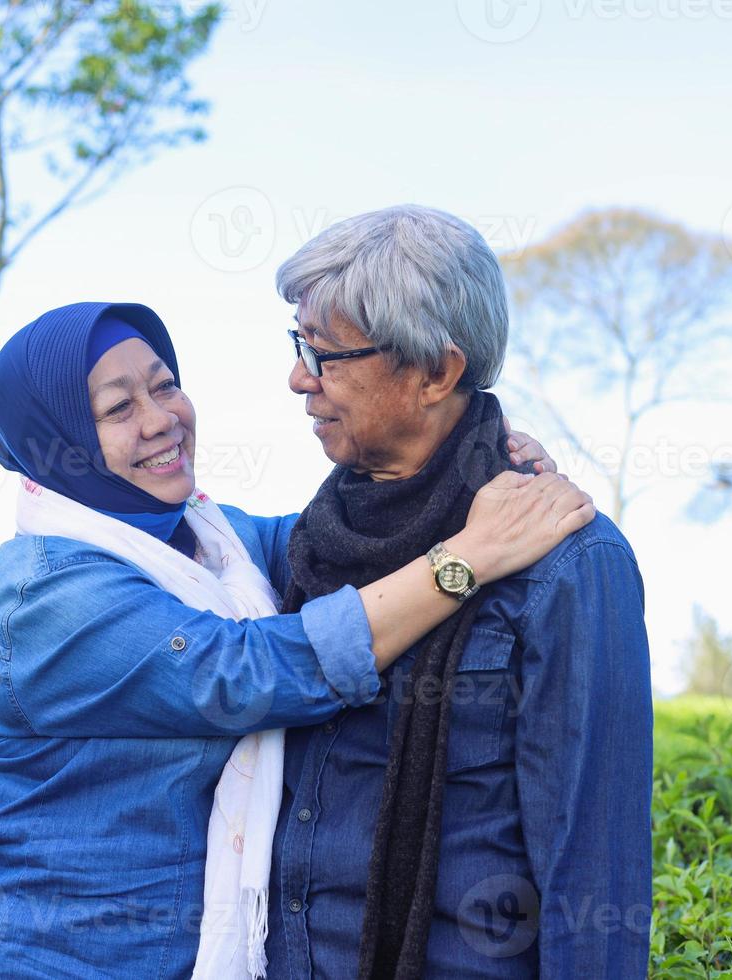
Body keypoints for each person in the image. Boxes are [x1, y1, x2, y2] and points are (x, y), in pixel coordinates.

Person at [0, 301, 594, 979]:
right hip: (33, 957)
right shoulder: (51, 595)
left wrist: (480, 464)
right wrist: (468, 558)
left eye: (164, 385)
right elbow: (249, 672)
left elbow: (340, 544)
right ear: (56, 443)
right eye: (118, 410)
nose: (160, 420)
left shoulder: (207, 537)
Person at [261, 205, 654, 979]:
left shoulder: (570, 564)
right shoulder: (299, 546)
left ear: (438, 372)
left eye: (327, 353)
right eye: (298, 344)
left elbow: (593, 873)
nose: (299, 377)